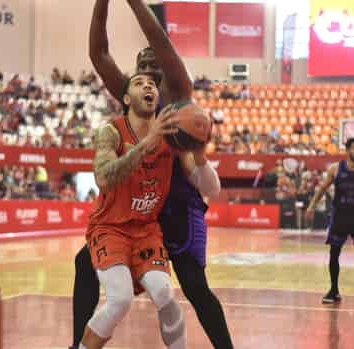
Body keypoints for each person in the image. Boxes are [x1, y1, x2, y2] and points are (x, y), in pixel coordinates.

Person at [71, 1, 234, 349]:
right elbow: (99, 54)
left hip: (177, 207)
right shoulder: (134, 97)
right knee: (84, 263)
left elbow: (161, 42)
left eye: (153, 64)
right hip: (138, 210)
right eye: (140, 68)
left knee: (194, 287)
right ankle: (77, 343)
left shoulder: (177, 93)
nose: (146, 70)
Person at [81, 72, 187, 349]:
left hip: (147, 229)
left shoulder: (172, 136)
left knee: (165, 292)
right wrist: (145, 145)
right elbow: (103, 178)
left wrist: (200, 158)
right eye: (139, 83)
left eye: (152, 83)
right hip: (110, 227)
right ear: (127, 99)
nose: (148, 85)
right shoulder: (111, 131)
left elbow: (204, 181)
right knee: (120, 299)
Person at [305, 137, 354, 304]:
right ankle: (333, 290)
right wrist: (311, 206)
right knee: (334, 254)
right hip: (339, 216)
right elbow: (322, 188)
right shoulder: (336, 169)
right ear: (347, 150)